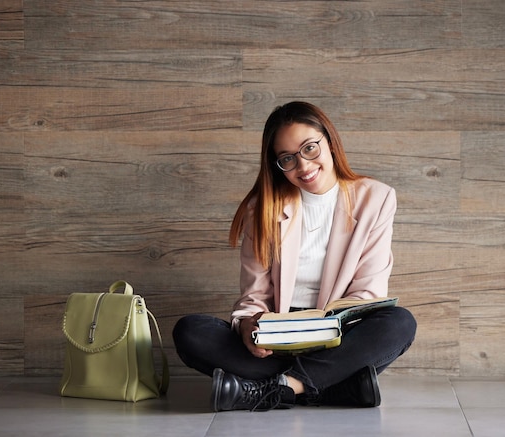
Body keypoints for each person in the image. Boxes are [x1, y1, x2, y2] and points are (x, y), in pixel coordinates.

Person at [173, 101, 417, 412]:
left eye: (310, 148)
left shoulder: (376, 198)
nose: (302, 166)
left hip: (339, 339)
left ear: (329, 141)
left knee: (399, 323)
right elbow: (253, 297)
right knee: (191, 331)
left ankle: (279, 388)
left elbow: (368, 294)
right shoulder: (261, 208)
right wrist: (248, 326)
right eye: (287, 158)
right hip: (277, 341)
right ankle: (331, 388)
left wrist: (325, 330)